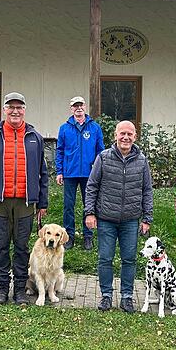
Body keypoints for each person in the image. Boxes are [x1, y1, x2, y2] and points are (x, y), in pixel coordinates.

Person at [0, 92, 48, 305]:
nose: (15, 111)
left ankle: (19, 290)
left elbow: (43, 173)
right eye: (11, 107)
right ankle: (1, 289)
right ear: (4, 110)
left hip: (26, 203)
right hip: (0, 202)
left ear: (24, 110)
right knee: (0, 246)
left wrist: (42, 202)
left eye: (19, 107)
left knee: (21, 247)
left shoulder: (34, 137)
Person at [85, 120, 153, 314]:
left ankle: (127, 297)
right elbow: (92, 187)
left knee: (129, 259)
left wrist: (147, 218)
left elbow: (147, 190)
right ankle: (106, 296)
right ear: (115, 135)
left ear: (135, 136)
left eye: (129, 134)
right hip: (106, 218)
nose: (125, 137)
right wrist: (89, 213)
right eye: (122, 133)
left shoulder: (141, 160)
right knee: (105, 259)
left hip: (131, 220)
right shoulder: (103, 158)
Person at [55, 96, 105, 251]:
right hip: (70, 173)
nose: (78, 108)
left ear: (85, 107)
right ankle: (68, 236)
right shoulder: (64, 128)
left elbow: (100, 151)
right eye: (75, 106)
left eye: (81, 105)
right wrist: (59, 171)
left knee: (88, 205)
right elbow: (60, 151)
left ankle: (88, 236)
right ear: (71, 109)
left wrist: (99, 170)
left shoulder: (95, 128)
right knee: (68, 206)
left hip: (89, 174)